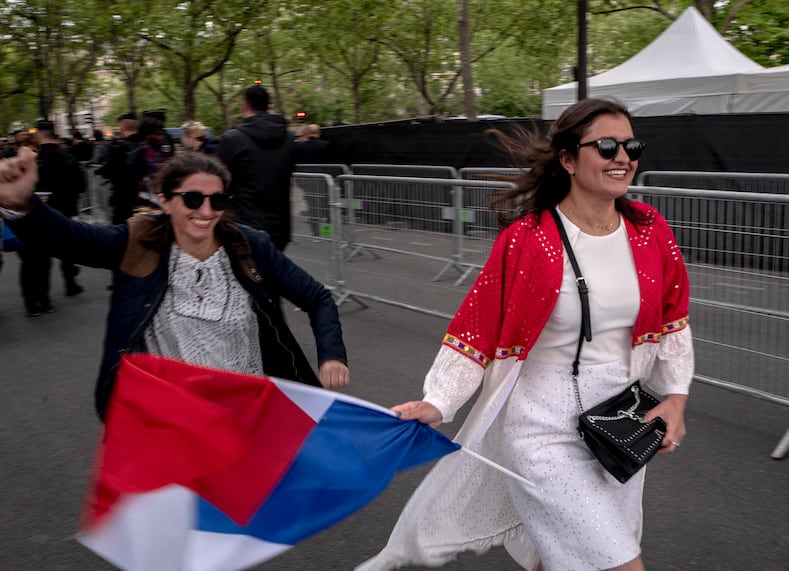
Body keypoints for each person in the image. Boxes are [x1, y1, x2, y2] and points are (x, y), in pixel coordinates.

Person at [358, 98, 694, 571]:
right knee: (616, 560)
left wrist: (676, 396)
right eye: (606, 145)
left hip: (620, 420)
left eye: (631, 144)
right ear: (568, 159)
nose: (623, 156)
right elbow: (478, 326)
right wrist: (439, 400)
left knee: (562, 553)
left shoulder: (649, 230)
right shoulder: (528, 237)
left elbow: (673, 318)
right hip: (540, 425)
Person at [0, 149, 350, 420]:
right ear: (165, 201)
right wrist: (19, 203)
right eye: (193, 199)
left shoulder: (250, 245)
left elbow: (317, 297)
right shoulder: (137, 242)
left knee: (255, 505)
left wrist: (331, 355)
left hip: (248, 412)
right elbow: (68, 239)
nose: (207, 211)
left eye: (218, 200)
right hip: (171, 421)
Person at [217, 84, 297, 251]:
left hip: (244, 225)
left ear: (244, 106)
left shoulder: (231, 139)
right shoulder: (289, 139)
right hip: (280, 226)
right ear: (268, 107)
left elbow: (219, 182)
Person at [33, 120, 86, 299]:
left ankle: (43, 297)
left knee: (41, 255)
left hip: (41, 211)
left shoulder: (35, 161)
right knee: (67, 249)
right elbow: (81, 186)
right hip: (66, 209)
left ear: (39, 135)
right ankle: (70, 284)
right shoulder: (69, 158)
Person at [98, 111, 141, 225]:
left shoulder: (118, 148)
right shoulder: (147, 144)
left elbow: (107, 172)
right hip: (146, 201)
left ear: (122, 127)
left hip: (123, 199)